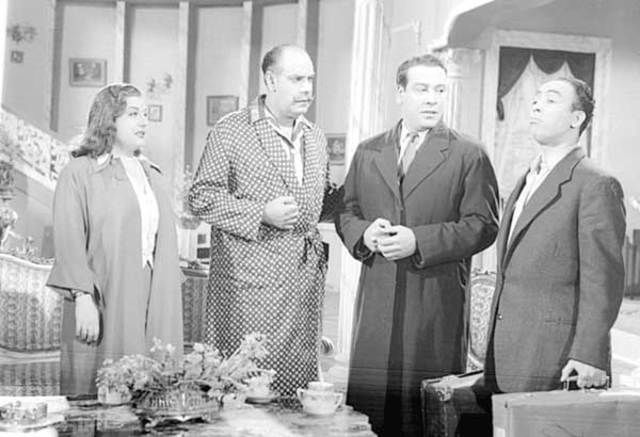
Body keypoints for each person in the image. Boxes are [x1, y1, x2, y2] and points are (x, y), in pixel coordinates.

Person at [334, 54, 499, 436]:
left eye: (439, 90)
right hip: (377, 300)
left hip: (434, 302)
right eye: (422, 89)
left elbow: (483, 225)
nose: (432, 99)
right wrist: (364, 234)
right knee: (369, 413)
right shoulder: (368, 151)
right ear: (400, 93)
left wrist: (418, 241)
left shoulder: (469, 154)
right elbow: (346, 210)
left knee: (423, 415)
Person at [188, 44, 329, 397]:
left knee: (296, 390)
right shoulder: (233, 130)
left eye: (311, 79)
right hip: (250, 287)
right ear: (270, 80)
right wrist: (261, 213)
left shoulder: (315, 136)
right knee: (248, 387)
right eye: (297, 79)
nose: (307, 89)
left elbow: (319, 197)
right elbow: (201, 197)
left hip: (303, 285)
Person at [484, 77, 626, 394]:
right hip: (508, 350)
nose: (536, 105)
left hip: (556, 357)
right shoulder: (528, 178)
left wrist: (589, 354)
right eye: (536, 98)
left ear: (576, 119)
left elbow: (602, 281)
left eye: (550, 99)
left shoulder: (595, 183)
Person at [47, 83, 183, 396]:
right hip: (105, 292)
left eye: (145, 114)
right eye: (133, 114)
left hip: (153, 292)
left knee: (153, 387)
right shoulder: (79, 173)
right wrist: (83, 297)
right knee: (106, 386)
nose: (143, 121)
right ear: (109, 119)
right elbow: (69, 240)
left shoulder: (152, 174)